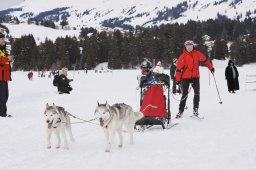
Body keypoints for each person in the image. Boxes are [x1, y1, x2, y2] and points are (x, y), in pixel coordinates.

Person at [175, 40, 214, 118]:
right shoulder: (182, 57)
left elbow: (205, 60)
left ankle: (195, 109)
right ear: (185, 47)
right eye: (187, 47)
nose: (189, 48)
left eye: (191, 46)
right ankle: (180, 111)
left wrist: (211, 67)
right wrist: (178, 80)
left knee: (197, 93)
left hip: (195, 77)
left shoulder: (197, 53)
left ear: (193, 46)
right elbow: (178, 69)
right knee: (184, 94)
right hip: (185, 78)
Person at [0, 32, 12, 117]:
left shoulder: (3, 49)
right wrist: (7, 59)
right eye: (2, 39)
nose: (4, 40)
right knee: (3, 96)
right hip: (0, 76)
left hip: (4, 76)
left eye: (4, 38)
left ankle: (2, 112)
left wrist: (8, 59)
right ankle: (2, 114)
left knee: (5, 95)